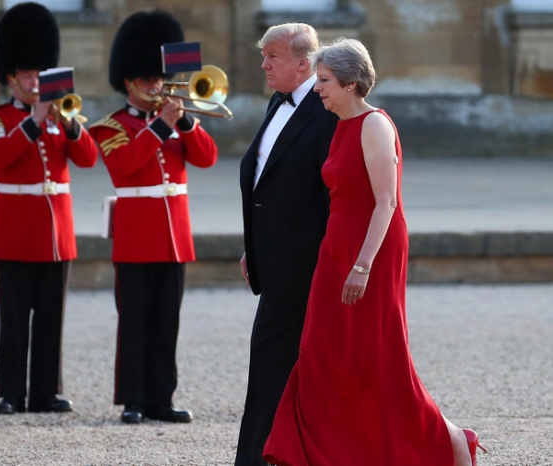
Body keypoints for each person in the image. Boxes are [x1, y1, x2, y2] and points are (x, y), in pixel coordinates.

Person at [262, 38, 485, 466]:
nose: (318, 88)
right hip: (338, 248)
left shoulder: (374, 125)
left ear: (350, 83)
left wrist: (362, 265)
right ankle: (320, 452)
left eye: (324, 80)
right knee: (324, 353)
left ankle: (452, 440)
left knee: (378, 358)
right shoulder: (341, 125)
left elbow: (386, 202)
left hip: (372, 251)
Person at [89, 9, 218, 425]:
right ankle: (132, 399)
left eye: (158, 78)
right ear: (128, 81)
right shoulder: (110, 127)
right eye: (147, 80)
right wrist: (162, 127)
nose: (156, 85)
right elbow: (125, 166)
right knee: (135, 322)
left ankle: (161, 398)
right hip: (136, 236)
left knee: (167, 322)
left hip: (174, 235)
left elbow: (207, 158)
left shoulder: (176, 121)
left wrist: (186, 123)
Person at [0, 2, 97, 415]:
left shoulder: (62, 117)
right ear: (11, 77)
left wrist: (72, 124)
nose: (36, 81)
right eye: (28, 75)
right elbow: (2, 157)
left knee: (50, 317)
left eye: (40, 73)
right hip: (16, 229)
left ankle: (45, 391)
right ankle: (10, 392)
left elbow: (89, 159)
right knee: (14, 317)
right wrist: (33, 121)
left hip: (56, 230)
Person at [234, 23, 338, 465]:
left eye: (271, 57)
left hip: (307, 265)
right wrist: (254, 246)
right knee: (270, 368)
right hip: (275, 261)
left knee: (286, 369)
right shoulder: (278, 103)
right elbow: (268, 181)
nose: (263, 65)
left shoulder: (327, 109)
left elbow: (334, 195)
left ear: (303, 63)